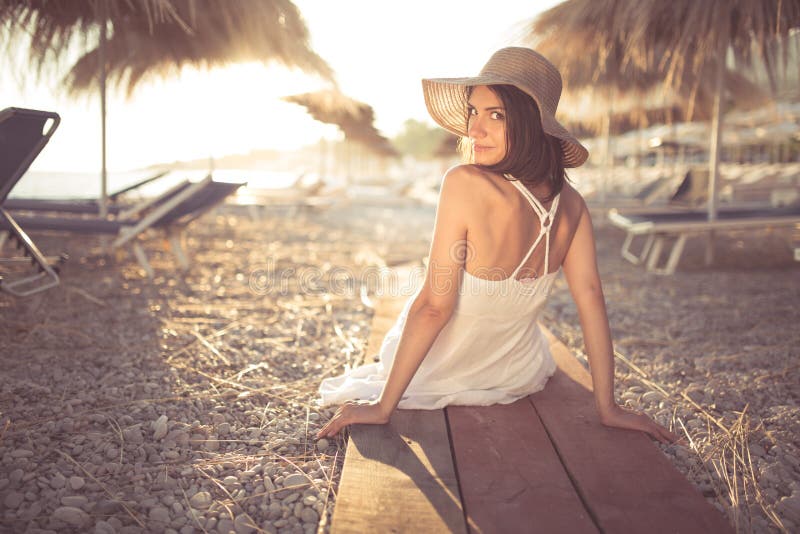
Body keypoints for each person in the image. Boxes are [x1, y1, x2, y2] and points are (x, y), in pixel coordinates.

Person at [315, 47, 679, 445]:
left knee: (419, 300)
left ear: (530, 124)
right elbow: (591, 298)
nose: (474, 130)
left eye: (496, 115)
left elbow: (435, 307)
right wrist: (608, 408)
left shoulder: (465, 183)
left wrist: (383, 406)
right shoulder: (572, 204)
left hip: (442, 370)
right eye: (474, 111)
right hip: (516, 374)